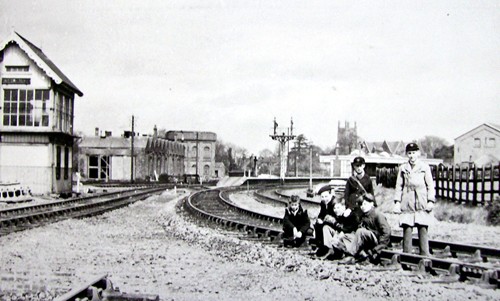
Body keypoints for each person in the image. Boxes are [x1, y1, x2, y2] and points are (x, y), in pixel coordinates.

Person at [393, 142, 435, 256]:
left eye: (414, 153)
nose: (412, 155)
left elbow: (430, 186)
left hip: (421, 201)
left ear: (418, 153)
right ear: (407, 154)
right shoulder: (403, 168)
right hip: (407, 202)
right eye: (409, 153)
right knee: (407, 228)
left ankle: (424, 255)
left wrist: (431, 201)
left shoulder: (425, 167)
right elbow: (399, 187)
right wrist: (397, 202)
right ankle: (407, 256)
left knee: (422, 228)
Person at [339, 193, 391, 264]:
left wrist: (378, 248)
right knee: (347, 236)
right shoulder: (363, 215)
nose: (362, 207)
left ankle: (350, 256)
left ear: (371, 204)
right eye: (361, 205)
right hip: (367, 240)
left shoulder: (377, 215)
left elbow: (386, 232)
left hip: (377, 241)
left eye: (365, 204)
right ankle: (357, 253)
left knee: (361, 231)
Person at [311, 185, 336, 252]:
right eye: (322, 197)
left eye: (326, 196)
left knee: (323, 226)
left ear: (330, 195)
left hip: (335, 224)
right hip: (327, 221)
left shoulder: (334, 203)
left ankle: (326, 247)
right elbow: (321, 214)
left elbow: (336, 217)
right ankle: (320, 245)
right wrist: (319, 219)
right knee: (317, 224)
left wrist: (324, 221)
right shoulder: (323, 203)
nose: (324, 199)